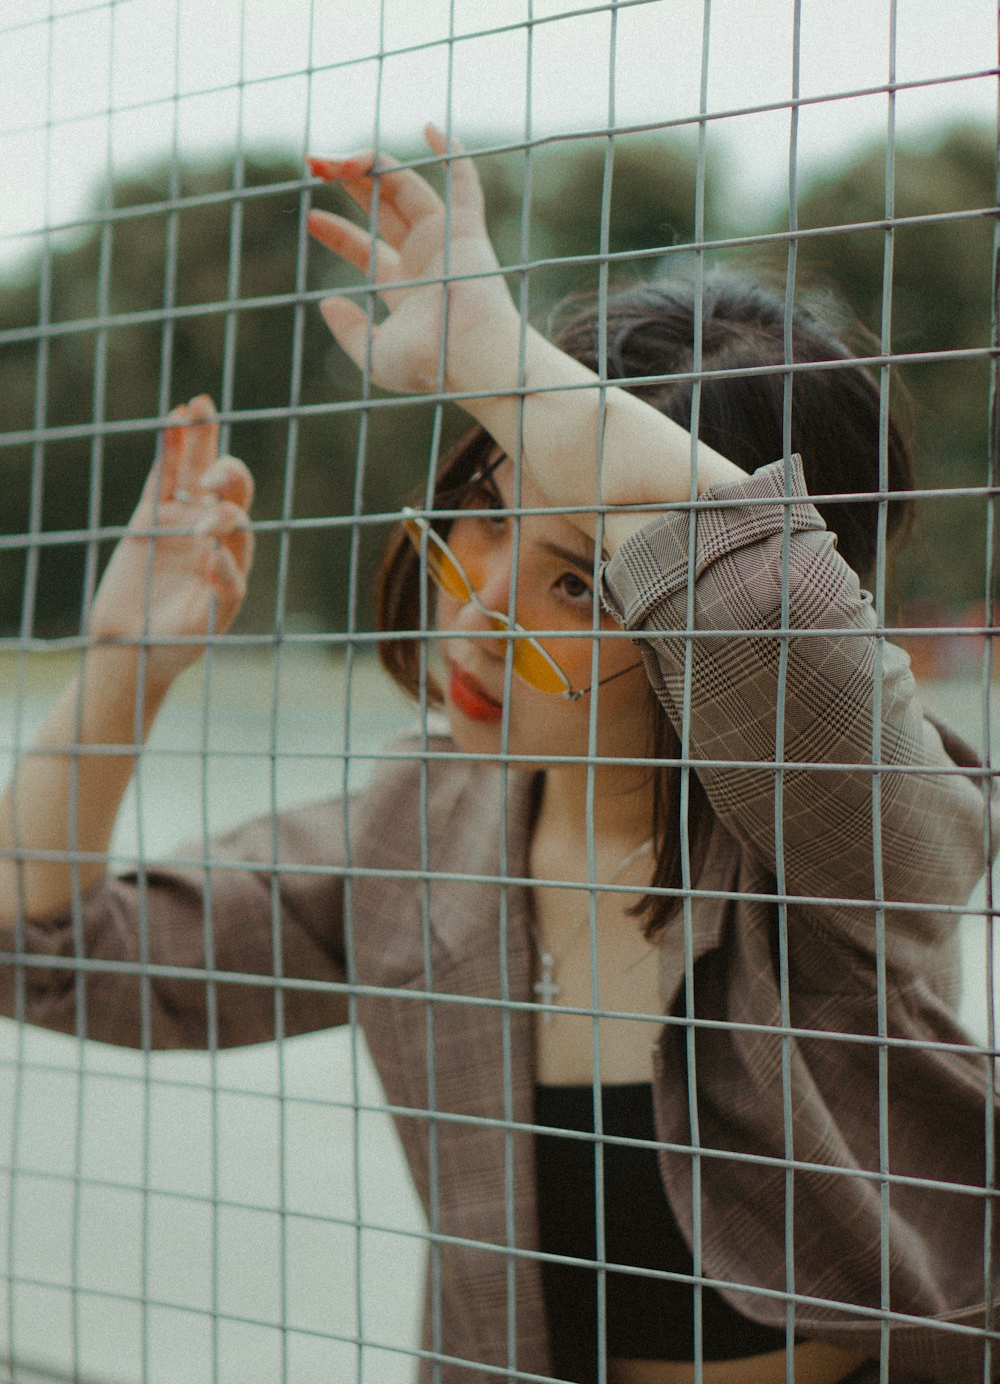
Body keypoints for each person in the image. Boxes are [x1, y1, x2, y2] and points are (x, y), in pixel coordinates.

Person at [0, 126, 995, 1384]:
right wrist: (121, 670)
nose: (475, 611)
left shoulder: (849, 830)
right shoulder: (420, 828)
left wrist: (497, 362)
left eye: (578, 580)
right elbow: (50, 953)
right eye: (483, 520)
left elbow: (767, 599)